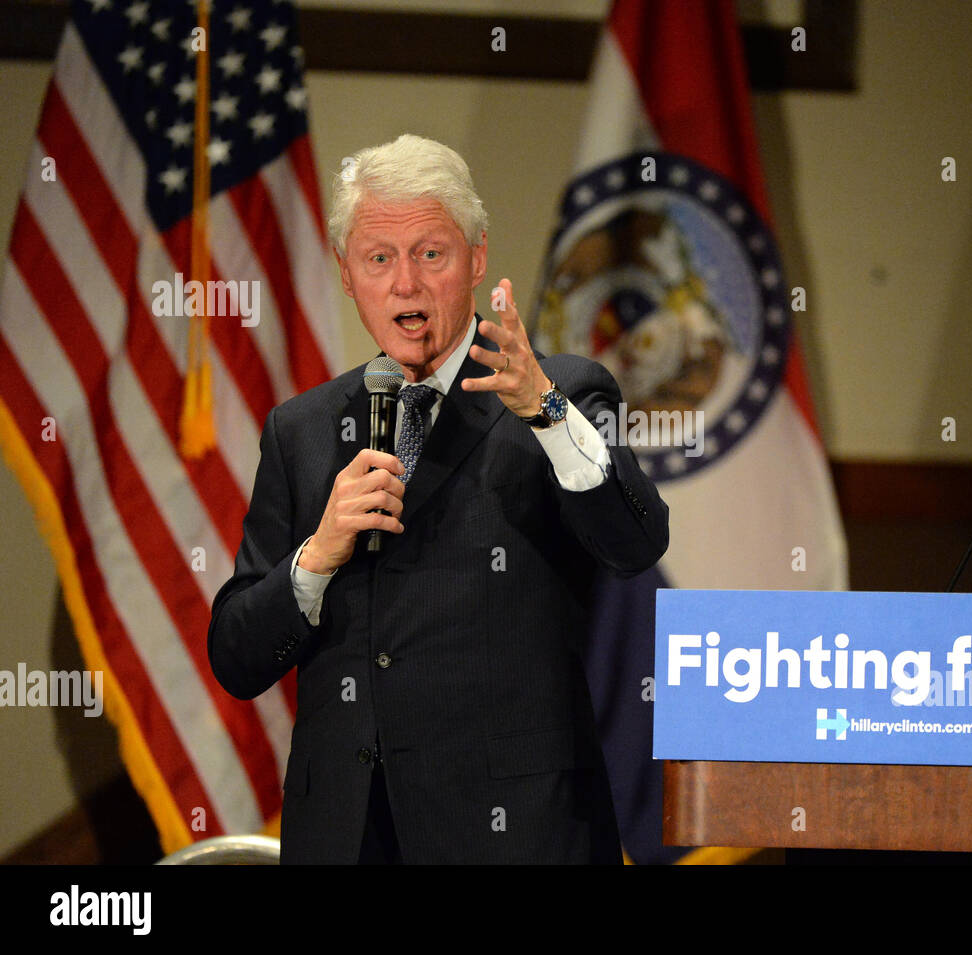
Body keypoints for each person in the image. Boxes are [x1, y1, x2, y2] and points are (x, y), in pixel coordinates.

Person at [207, 134, 669, 864]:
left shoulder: (561, 394)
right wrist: (318, 554)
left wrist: (544, 410)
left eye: (432, 253)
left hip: (514, 833)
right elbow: (236, 656)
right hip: (347, 836)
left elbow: (637, 541)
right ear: (348, 274)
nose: (406, 285)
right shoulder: (301, 430)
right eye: (379, 258)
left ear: (477, 257)